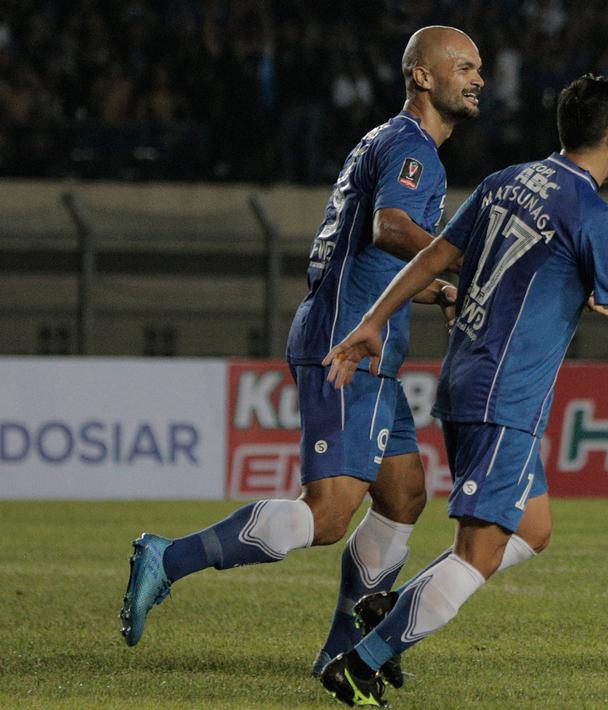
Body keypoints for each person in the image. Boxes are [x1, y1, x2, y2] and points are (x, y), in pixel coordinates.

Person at [316, 74, 608, 706]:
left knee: (534, 526)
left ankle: (392, 607)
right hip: (504, 396)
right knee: (476, 554)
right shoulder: (593, 214)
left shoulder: (510, 180)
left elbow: (436, 255)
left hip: (471, 378)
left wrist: (373, 320)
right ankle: (363, 662)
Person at [119, 27, 483, 686]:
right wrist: (465, 257)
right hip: (347, 345)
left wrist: (443, 288)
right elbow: (392, 229)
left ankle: (340, 648)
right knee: (326, 515)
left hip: (362, 345)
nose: (477, 77)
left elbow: (374, 252)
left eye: (479, 67)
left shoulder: (389, 142)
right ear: (422, 77)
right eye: (462, 66)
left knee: (402, 498)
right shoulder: (411, 148)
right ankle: (166, 558)